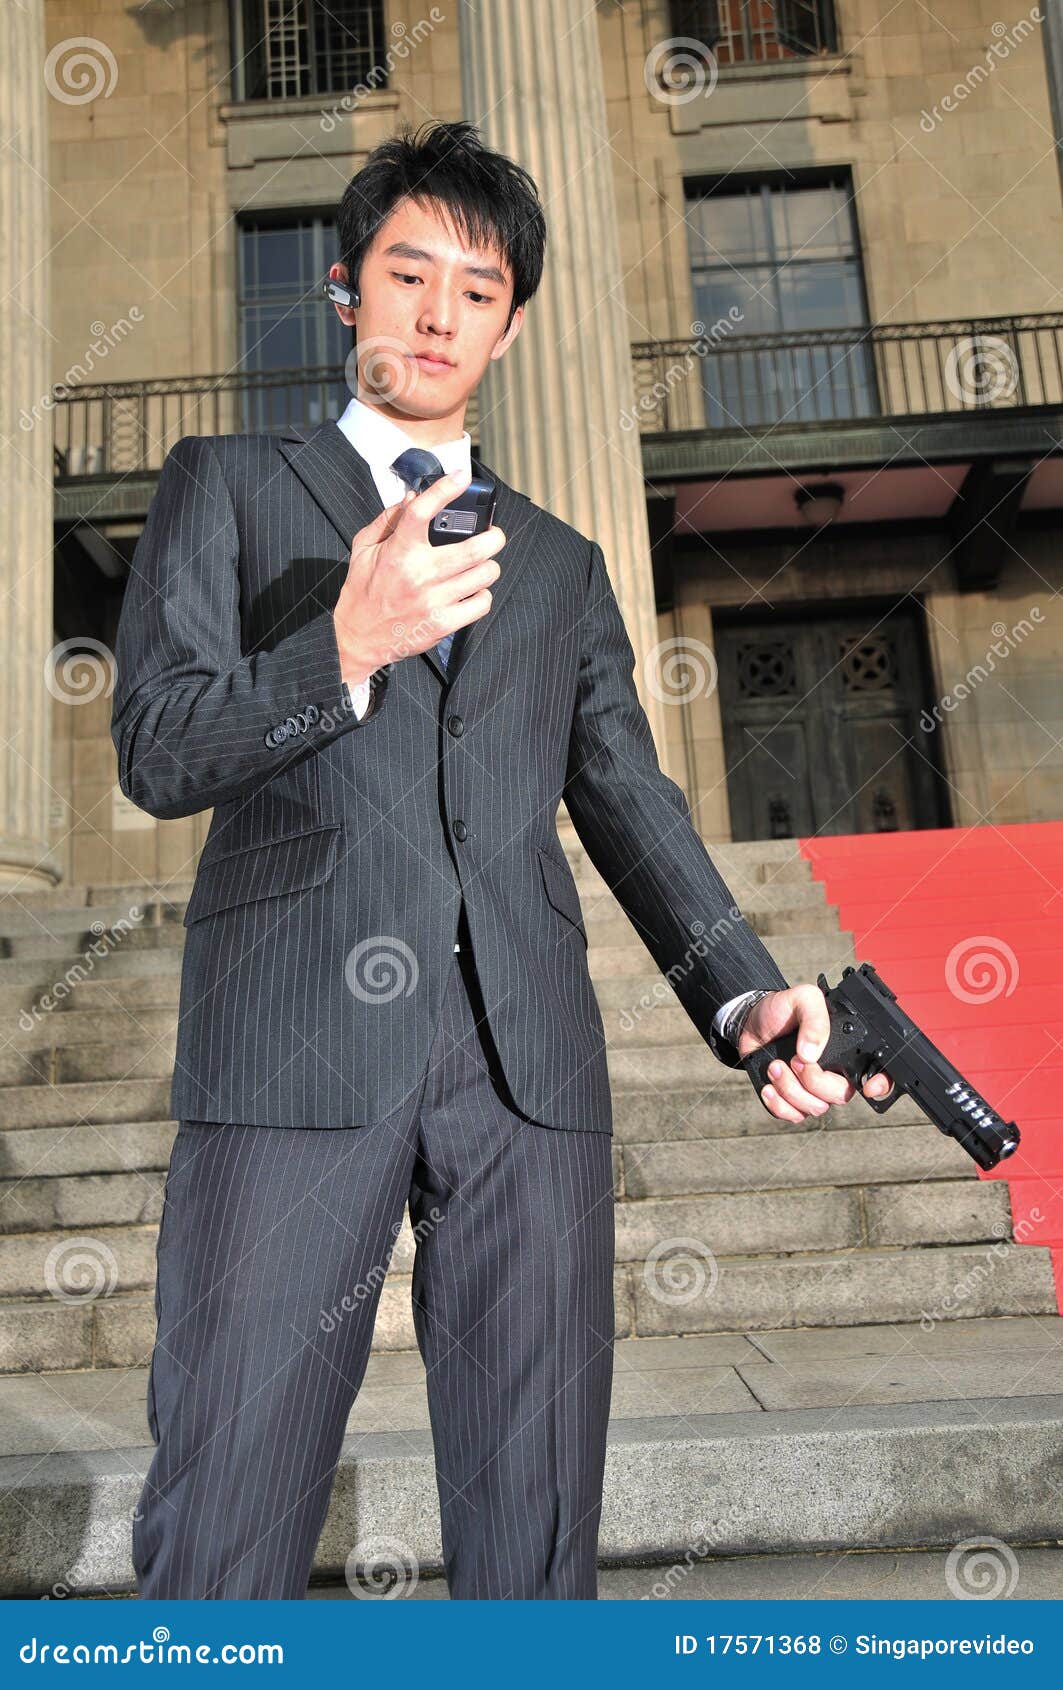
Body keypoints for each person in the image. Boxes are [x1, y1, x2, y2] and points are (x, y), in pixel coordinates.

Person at [111, 119, 891, 1601]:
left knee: (535, 1530)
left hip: (527, 1065)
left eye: (476, 288)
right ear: (347, 289)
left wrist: (744, 1000)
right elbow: (156, 744)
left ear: (512, 323)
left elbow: (630, 801)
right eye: (408, 274)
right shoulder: (223, 484)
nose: (438, 311)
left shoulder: (559, 561)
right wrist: (341, 643)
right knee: (224, 1509)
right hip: (291, 1052)